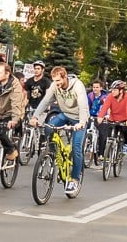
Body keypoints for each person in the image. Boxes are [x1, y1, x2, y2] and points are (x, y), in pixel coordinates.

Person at [29, 67, 89, 196]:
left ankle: (74, 179)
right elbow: (45, 101)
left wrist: (82, 122)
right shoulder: (54, 86)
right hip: (65, 114)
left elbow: (83, 105)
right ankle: (52, 152)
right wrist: (35, 116)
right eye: (54, 81)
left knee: (76, 148)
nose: (57, 83)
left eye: (59, 80)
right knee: (49, 127)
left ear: (65, 77)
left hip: (79, 118)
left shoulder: (77, 85)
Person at [95, 79, 127, 160]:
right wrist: (100, 117)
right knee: (109, 134)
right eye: (112, 90)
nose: (112, 91)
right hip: (113, 119)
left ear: (121, 91)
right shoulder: (110, 96)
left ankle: (126, 146)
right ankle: (109, 152)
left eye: (115, 90)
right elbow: (105, 107)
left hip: (124, 120)